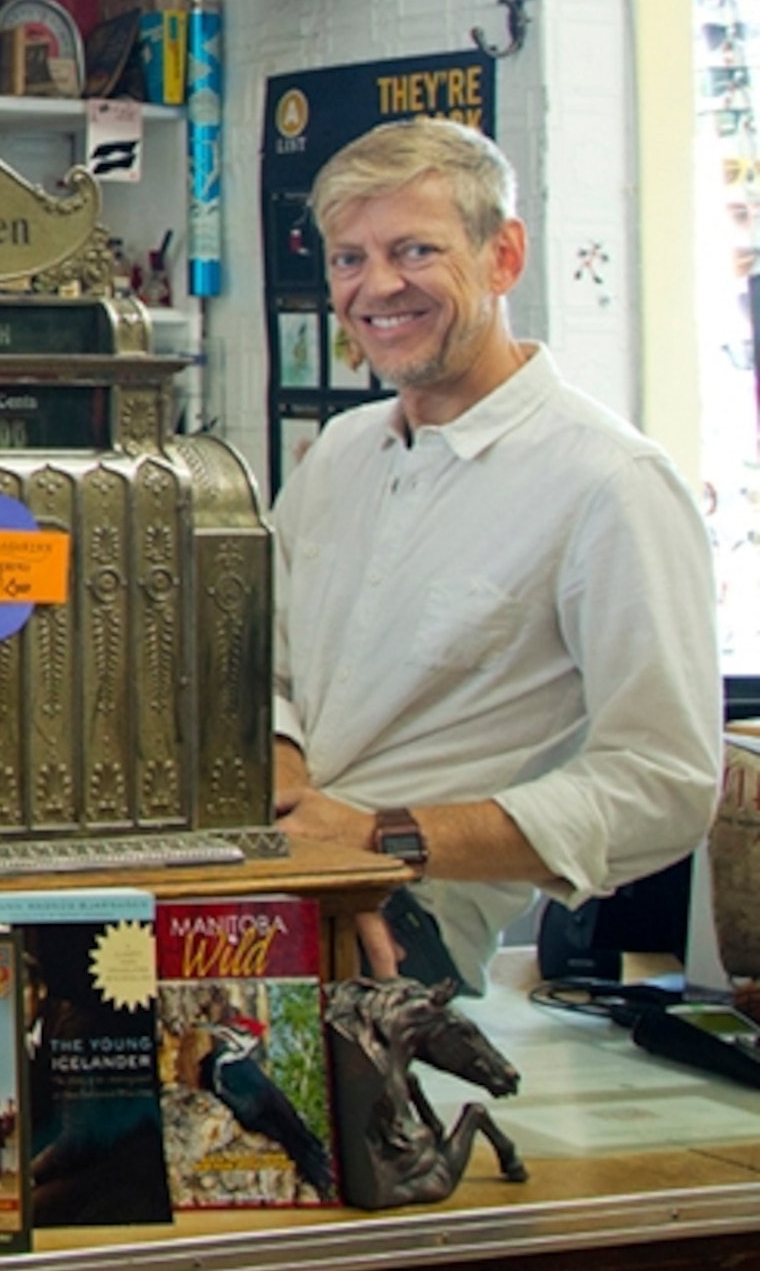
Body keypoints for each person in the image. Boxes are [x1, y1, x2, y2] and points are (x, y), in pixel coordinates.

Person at [271, 119, 723, 989]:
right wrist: (289, 782)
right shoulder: (340, 453)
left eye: (415, 250)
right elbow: (260, 667)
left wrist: (374, 840)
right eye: (349, 258)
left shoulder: (611, 483)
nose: (378, 286)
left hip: (405, 930)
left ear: (504, 256)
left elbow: (664, 786)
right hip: (281, 873)